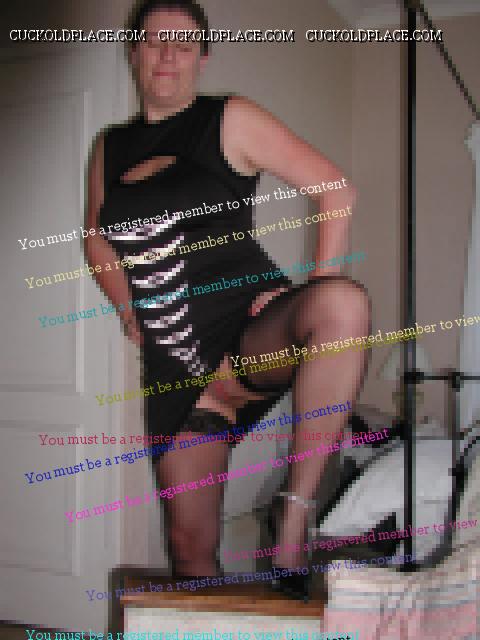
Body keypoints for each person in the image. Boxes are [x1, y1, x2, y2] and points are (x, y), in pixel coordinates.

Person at [85, 0, 370, 599]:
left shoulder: (227, 118)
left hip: (247, 328)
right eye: (154, 41)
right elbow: (97, 238)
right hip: (175, 362)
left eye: (184, 43)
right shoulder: (109, 147)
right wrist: (127, 310)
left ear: (203, 57)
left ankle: (294, 512)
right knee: (189, 549)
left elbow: (335, 190)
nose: (168, 54)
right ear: (133, 52)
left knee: (342, 306)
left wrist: (314, 286)